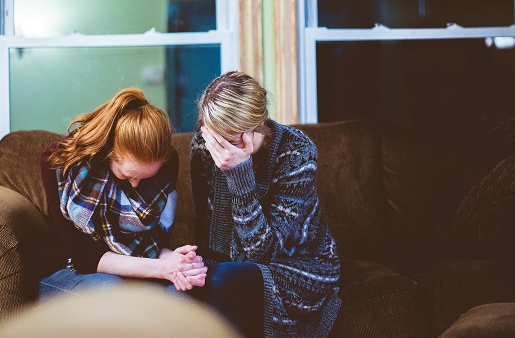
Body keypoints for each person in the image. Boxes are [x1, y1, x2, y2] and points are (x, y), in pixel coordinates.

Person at [190, 71, 341, 338]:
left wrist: (240, 176)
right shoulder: (204, 147)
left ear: (257, 125)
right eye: (215, 137)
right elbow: (209, 230)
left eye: (231, 139)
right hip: (231, 265)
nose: (219, 148)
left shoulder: (296, 152)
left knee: (226, 279)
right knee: (195, 284)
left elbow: (261, 255)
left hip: (299, 265)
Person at [39, 87, 207, 300]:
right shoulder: (58, 163)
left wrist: (178, 261)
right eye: (127, 176)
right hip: (68, 269)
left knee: (182, 294)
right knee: (111, 289)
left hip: (133, 267)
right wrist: (162, 269)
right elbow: (83, 256)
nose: (136, 185)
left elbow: (153, 244)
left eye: (144, 178)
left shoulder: (166, 164)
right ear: (108, 152)